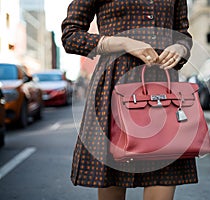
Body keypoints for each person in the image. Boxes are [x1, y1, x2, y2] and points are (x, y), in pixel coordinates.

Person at [61, 1, 196, 200]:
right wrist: (124, 43)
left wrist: (180, 47)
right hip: (114, 89)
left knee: (163, 184)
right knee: (112, 182)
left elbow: (183, 34)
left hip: (163, 95)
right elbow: (70, 36)